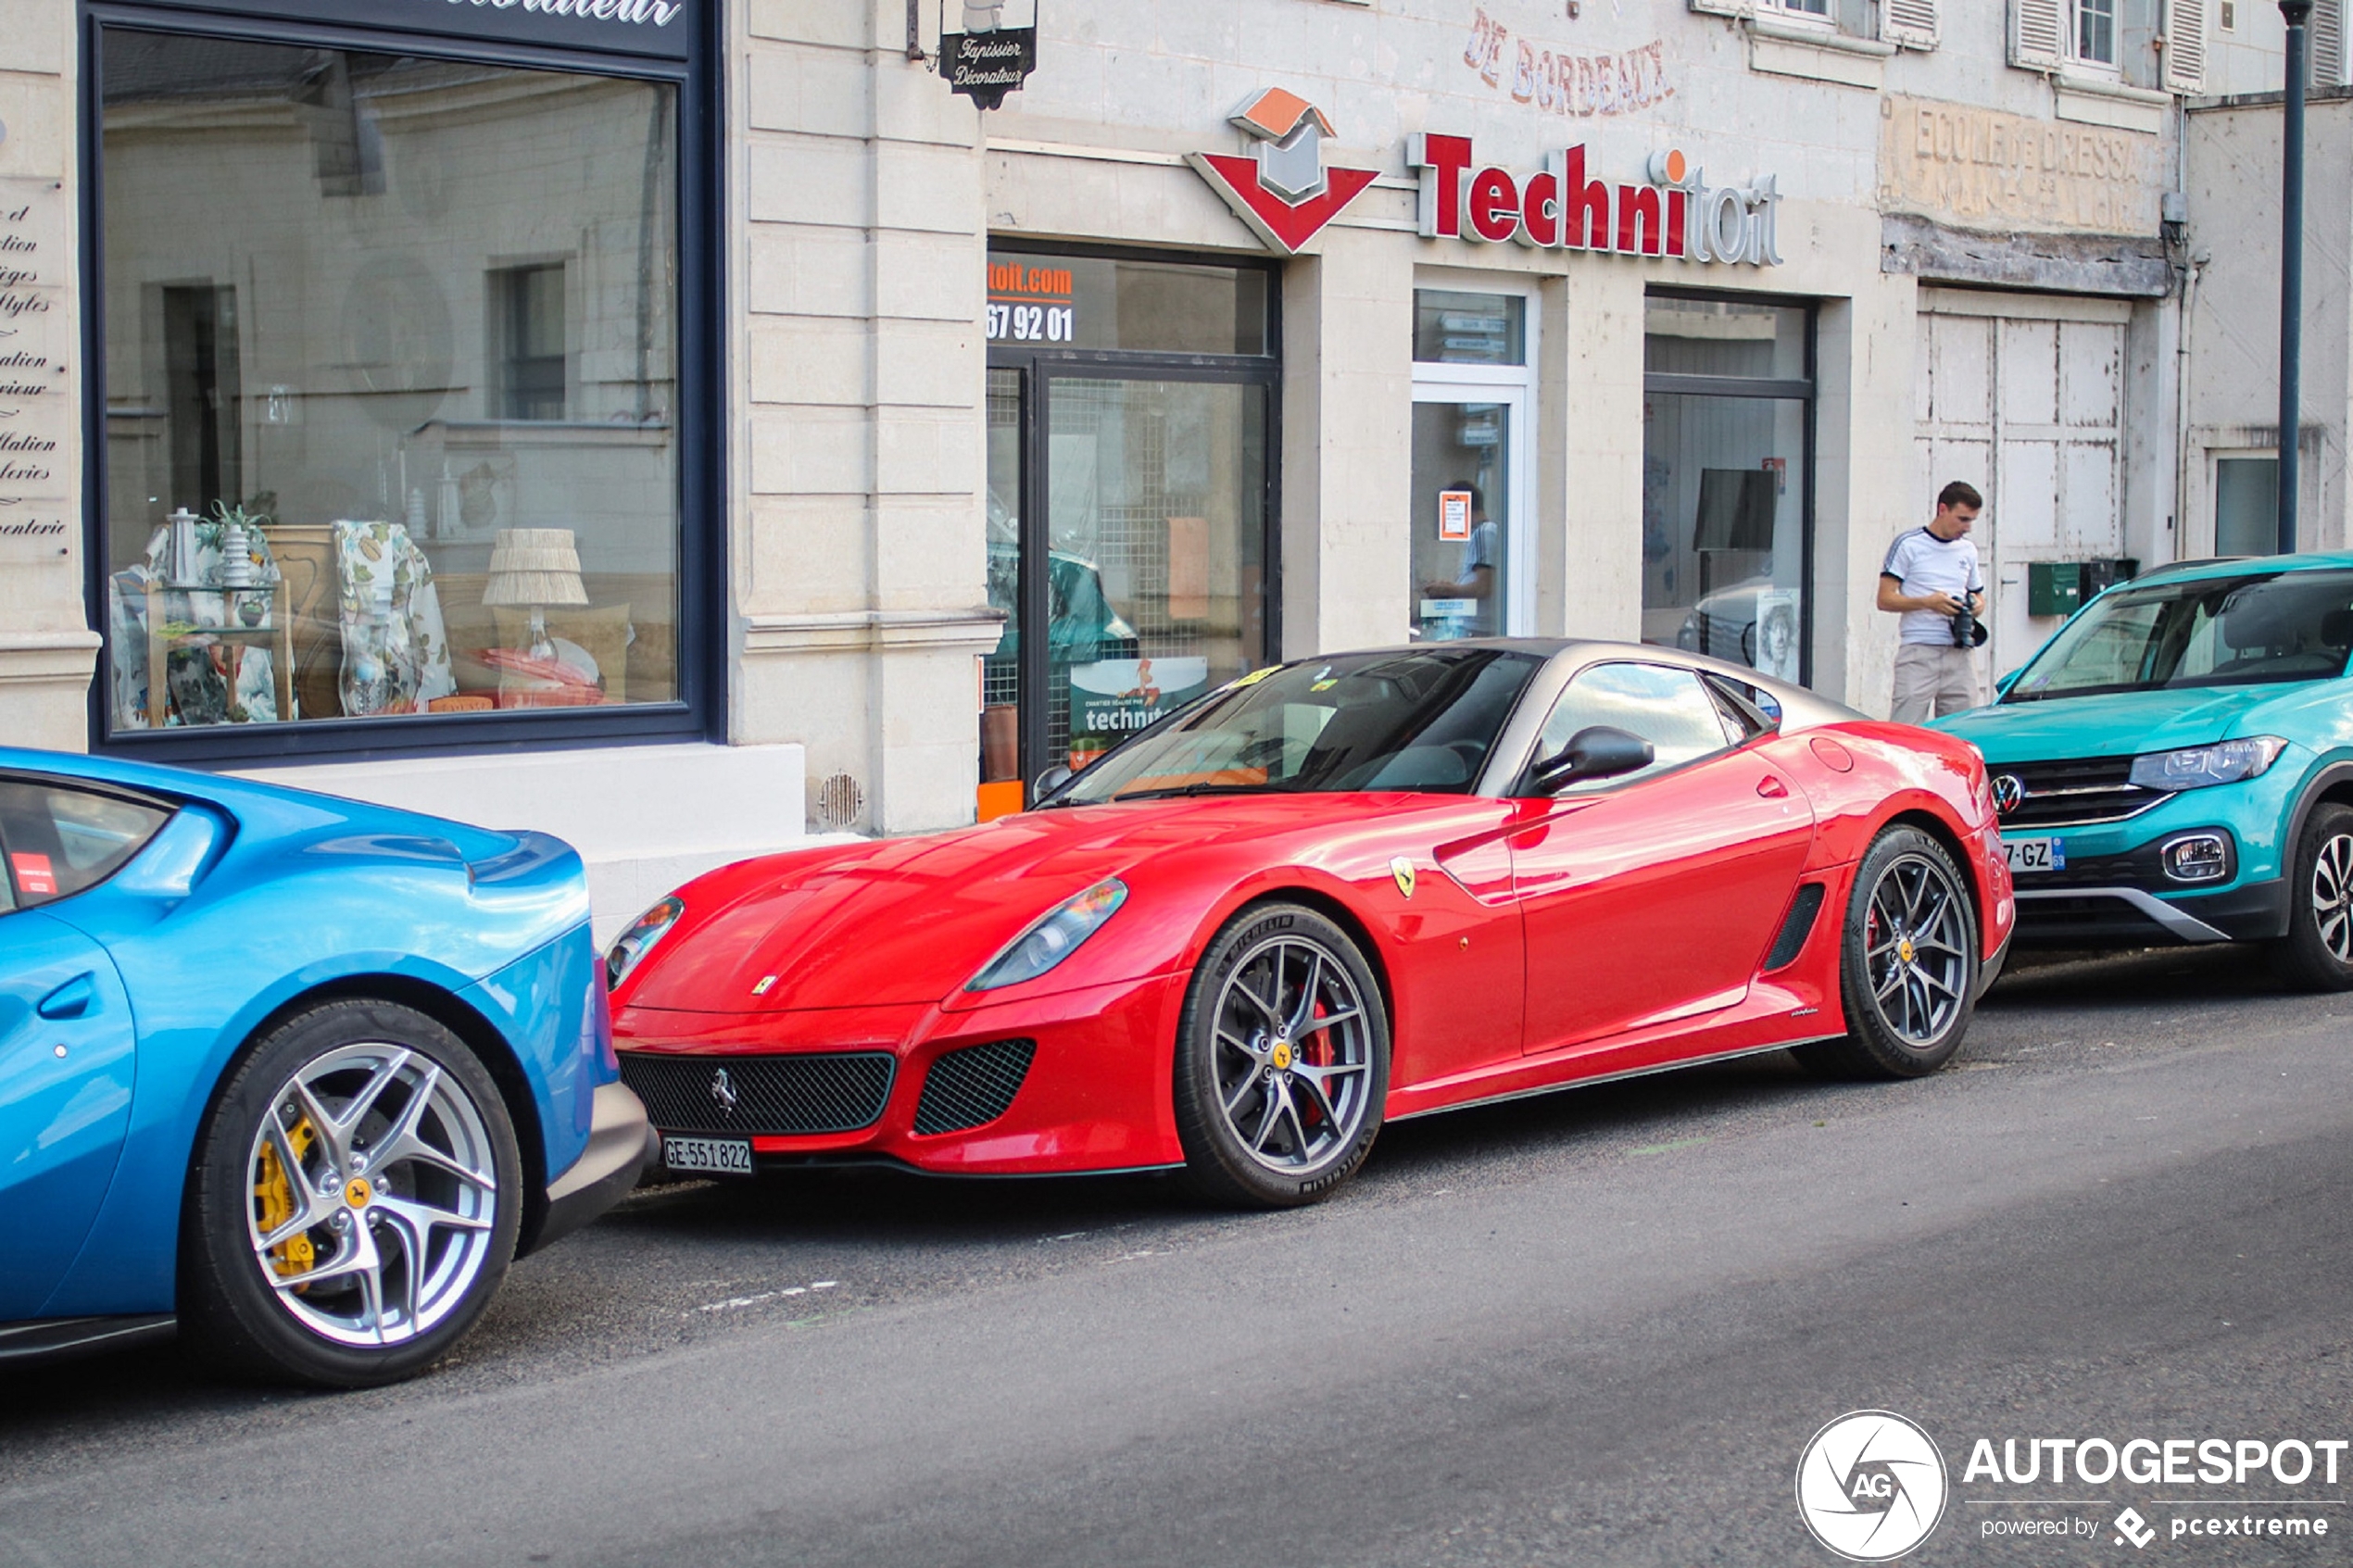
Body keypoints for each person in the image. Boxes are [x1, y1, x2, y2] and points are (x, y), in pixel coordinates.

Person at [1879, 480, 1988, 723]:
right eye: (1962, 519)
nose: (1967, 527)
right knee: (1906, 728)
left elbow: (1978, 594)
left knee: (1962, 730)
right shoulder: (1909, 544)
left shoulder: (1967, 550)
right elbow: (1885, 599)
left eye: (1971, 520)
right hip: (1920, 650)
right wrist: (1928, 603)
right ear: (1942, 510)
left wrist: (1977, 606)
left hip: (1960, 650)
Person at [1422, 481, 1500, 638]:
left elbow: (1484, 587)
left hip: (1476, 628)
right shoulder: (1481, 534)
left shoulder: (1484, 532)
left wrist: (1449, 590)